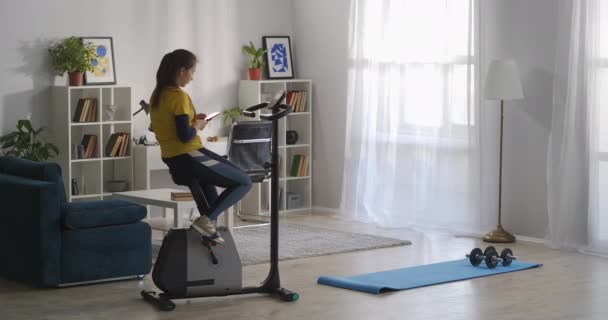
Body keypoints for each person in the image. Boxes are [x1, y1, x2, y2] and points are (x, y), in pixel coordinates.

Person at [149, 49, 252, 244]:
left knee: (210, 196)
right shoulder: (178, 96)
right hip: (189, 154)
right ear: (181, 71)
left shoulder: (158, 96)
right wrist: (197, 125)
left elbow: (168, 127)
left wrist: (193, 121)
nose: (192, 77)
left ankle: (208, 233)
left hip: (172, 157)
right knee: (244, 181)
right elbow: (185, 135)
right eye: (192, 72)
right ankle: (205, 221)